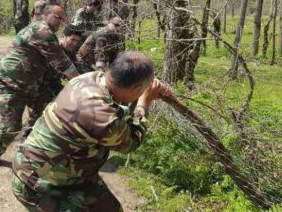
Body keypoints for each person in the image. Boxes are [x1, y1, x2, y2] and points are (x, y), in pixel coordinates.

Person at [12, 51, 173, 211]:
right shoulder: (103, 118)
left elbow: (118, 105)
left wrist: (142, 91)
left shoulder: (89, 78)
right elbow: (131, 142)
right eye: (142, 88)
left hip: (70, 172)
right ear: (136, 88)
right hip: (39, 183)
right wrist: (144, 103)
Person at [0, 5, 80, 168]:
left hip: (32, 84)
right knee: (11, 124)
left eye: (62, 19)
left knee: (49, 109)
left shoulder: (47, 34)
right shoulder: (42, 31)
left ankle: (28, 146)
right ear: (46, 14)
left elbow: (54, 71)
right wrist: (82, 85)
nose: (61, 22)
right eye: (58, 18)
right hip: (11, 83)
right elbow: (62, 63)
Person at [22, 24, 85, 140]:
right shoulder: (52, 48)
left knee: (69, 103)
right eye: (72, 39)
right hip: (37, 84)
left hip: (53, 84)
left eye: (77, 41)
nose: (75, 43)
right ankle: (27, 137)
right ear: (64, 36)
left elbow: (75, 70)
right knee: (42, 109)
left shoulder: (70, 51)